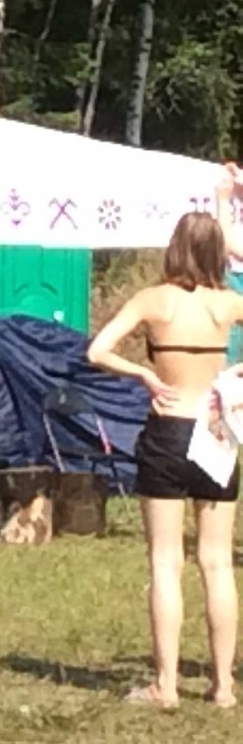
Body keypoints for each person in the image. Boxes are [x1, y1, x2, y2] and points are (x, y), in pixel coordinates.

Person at [88, 205, 243, 708]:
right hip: (215, 430)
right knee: (217, 563)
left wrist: (144, 375)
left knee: (165, 561)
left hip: (169, 430)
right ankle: (224, 686)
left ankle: (166, 685)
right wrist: (234, 379)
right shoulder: (228, 303)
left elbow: (97, 350)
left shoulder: (154, 300)